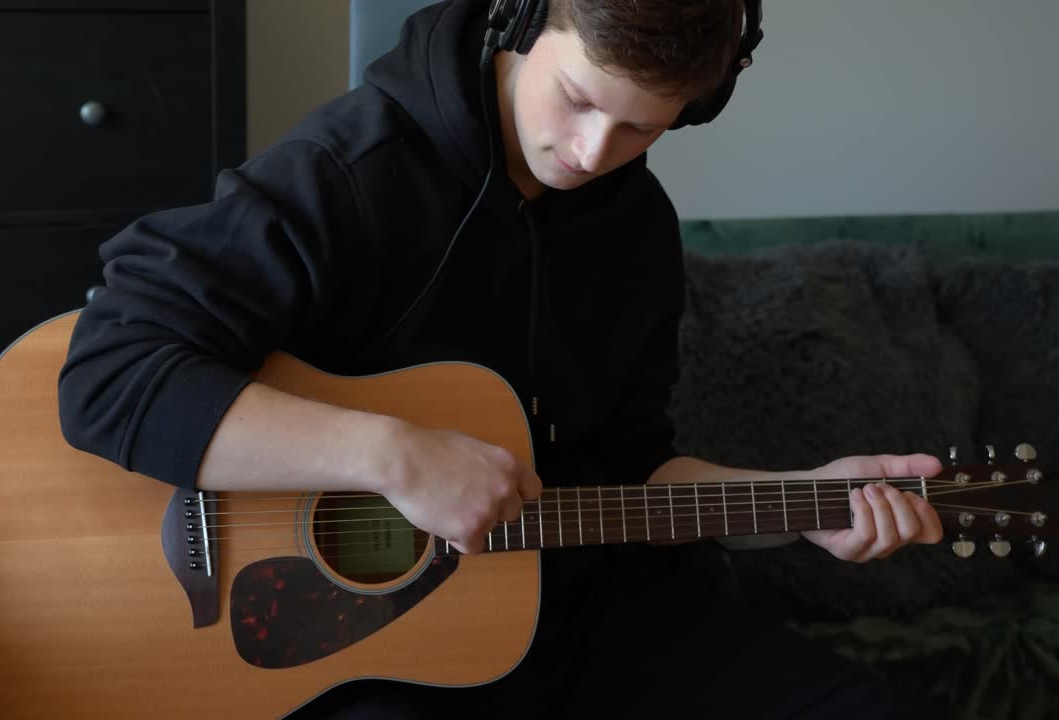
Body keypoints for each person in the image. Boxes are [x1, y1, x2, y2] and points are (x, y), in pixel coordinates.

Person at [57, 0, 944, 716]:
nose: (593, 153)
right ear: (522, 23)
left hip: (585, 610)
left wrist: (802, 502)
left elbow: (635, 467)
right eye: (581, 100)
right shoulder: (348, 171)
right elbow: (109, 374)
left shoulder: (635, 229)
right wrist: (393, 458)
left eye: (641, 129)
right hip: (365, 646)